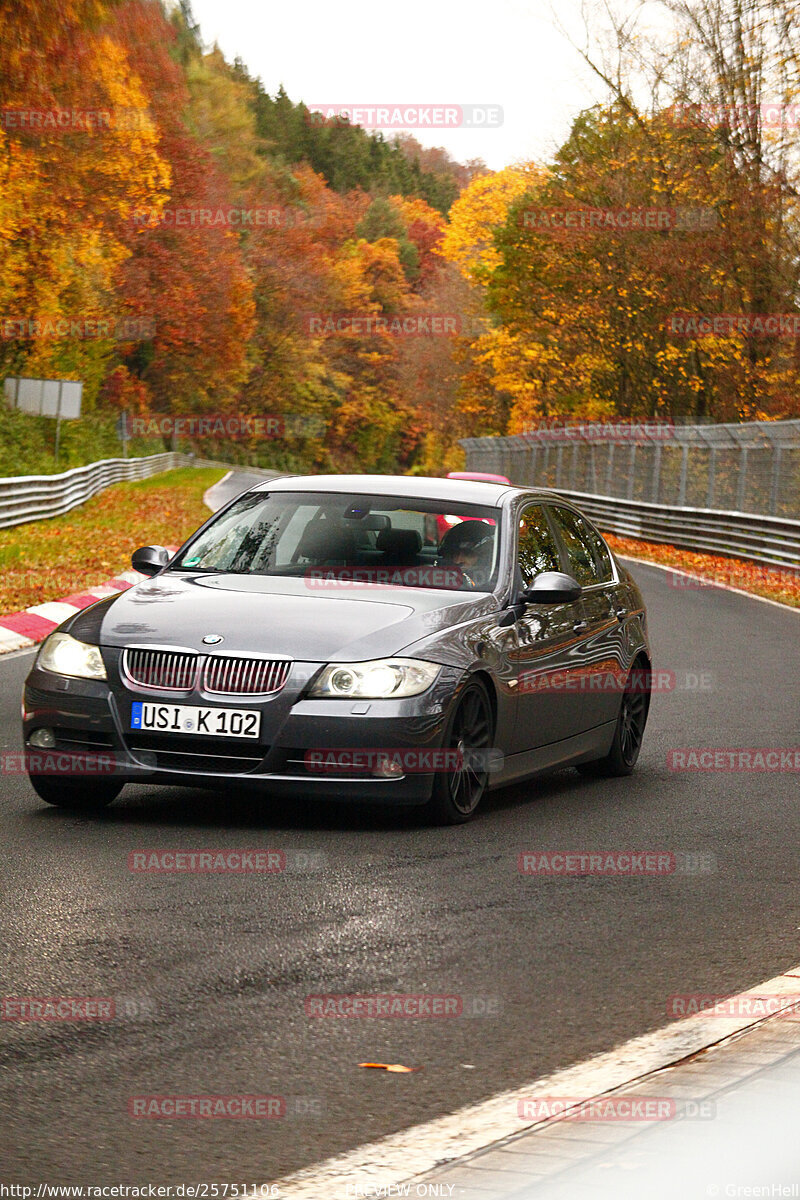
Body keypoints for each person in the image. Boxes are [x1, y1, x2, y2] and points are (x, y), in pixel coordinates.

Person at [438, 521, 495, 587]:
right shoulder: (441, 578)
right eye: (453, 554)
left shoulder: (496, 581)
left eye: (467, 554)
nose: (458, 560)